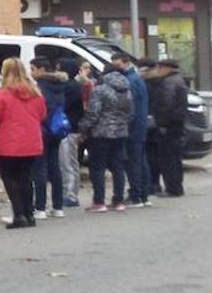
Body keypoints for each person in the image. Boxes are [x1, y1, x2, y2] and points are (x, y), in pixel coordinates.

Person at [0, 58, 46, 229]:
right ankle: (29, 213)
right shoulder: (35, 92)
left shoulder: (3, 93)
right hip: (32, 141)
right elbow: (42, 115)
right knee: (26, 178)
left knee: (10, 178)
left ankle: (19, 214)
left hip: (10, 142)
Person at [83, 60, 133, 213]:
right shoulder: (126, 90)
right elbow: (130, 113)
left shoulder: (100, 90)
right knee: (118, 166)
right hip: (120, 132)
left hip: (101, 133)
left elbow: (94, 113)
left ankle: (99, 201)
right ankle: (118, 200)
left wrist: (84, 127)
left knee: (97, 167)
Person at [29, 58, 68, 219]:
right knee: (54, 168)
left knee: (39, 169)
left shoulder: (40, 88)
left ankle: (40, 207)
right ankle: (58, 206)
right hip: (57, 129)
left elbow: (39, 111)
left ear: (42, 69)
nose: (31, 73)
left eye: (33, 69)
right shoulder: (59, 86)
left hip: (42, 130)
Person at [111, 52, 152, 208]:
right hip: (140, 125)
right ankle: (144, 194)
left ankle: (136, 195)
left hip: (132, 127)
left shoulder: (129, 81)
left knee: (133, 161)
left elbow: (129, 107)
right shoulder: (137, 79)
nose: (116, 68)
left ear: (126, 62)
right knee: (141, 159)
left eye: (118, 64)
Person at [145, 59, 188, 198]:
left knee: (167, 157)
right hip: (177, 123)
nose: (158, 70)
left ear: (167, 68)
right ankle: (177, 186)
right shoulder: (178, 79)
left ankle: (172, 188)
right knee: (175, 157)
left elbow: (166, 104)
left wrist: (162, 124)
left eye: (160, 67)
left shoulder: (168, 82)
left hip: (168, 125)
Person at [57, 59, 88, 208]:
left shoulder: (70, 88)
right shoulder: (73, 86)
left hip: (68, 128)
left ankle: (70, 194)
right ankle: (69, 192)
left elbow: (63, 105)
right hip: (70, 128)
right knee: (68, 163)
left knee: (68, 163)